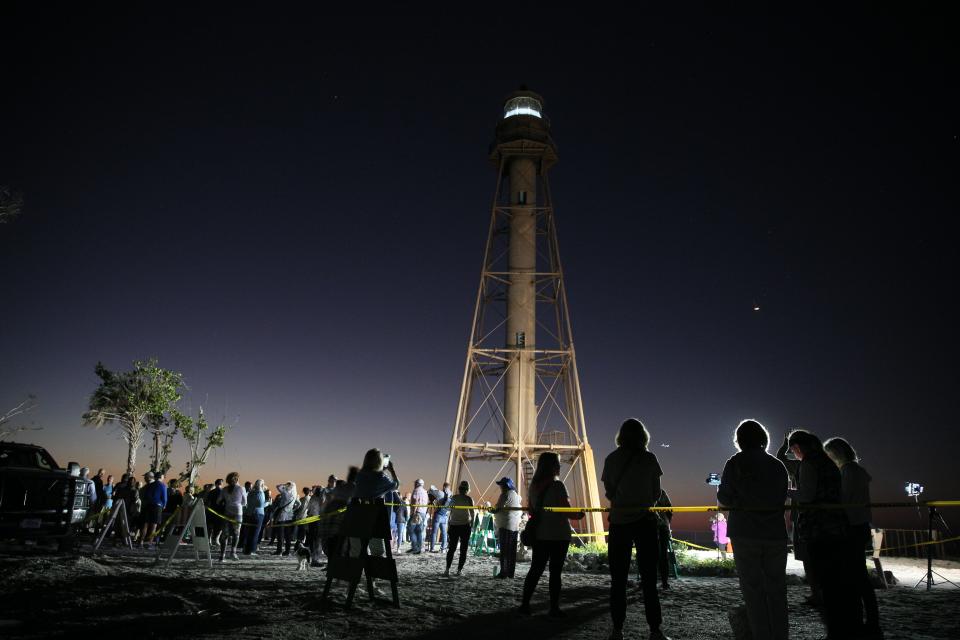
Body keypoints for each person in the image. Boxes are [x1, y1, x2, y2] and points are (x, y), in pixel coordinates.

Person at [717, 419, 789, 640]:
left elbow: (725, 498)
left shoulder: (735, 463)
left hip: (745, 531)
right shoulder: (777, 465)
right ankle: (780, 634)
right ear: (763, 439)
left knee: (752, 590)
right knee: (777, 589)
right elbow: (782, 497)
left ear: (740, 440)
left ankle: (761, 635)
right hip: (775, 533)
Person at [602, 418, 670, 640]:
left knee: (618, 579)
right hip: (645, 521)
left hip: (619, 523)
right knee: (649, 579)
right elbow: (656, 493)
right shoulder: (649, 459)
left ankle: (617, 629)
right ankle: (655, 630)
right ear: (643, 436)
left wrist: (623, 500)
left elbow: (609, 492)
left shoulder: (611, 459)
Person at [788, 428, 857, 639]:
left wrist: (786, 491)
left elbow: (807, 495)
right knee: (834, 577)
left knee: (823, 574)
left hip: (818, 526)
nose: (795, 455)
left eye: (794, 451)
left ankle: (834, 628)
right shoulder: (828, 463)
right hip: (836, 524)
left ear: (798, 447)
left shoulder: (809, 463)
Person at [824, 437, 883, 640]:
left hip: (851, 527)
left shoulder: (848, 471)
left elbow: (844, 499)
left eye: (829, 454)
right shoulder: (858, 471)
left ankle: (862, 620)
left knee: (854, 576)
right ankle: (870, 620)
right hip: (861, 526)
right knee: (858, 576)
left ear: (836, 454)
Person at [519, 451, 585, 618]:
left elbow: (531, 510)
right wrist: (580, 514)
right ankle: (554, 608)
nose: (559, 466)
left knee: (535, 570)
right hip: (558, 535)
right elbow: (567, 510)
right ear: (552, 466)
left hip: (540, 535)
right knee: (555, 573)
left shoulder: (533, 486)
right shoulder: (557, 485)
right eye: (557, 463)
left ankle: (525, 604)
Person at [349, 449, 401, 594]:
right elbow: (396, 485)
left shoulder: (359, 476)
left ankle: (353, 583)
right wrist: (391, 469)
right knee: (378, 551)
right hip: (373, 518)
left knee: (356, 551)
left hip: (355, 516)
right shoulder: (381, 477)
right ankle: (372, 583)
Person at [491, 476, 521, 578]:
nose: (500, 487)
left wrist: (489, 509)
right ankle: (510, 573)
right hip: (515, 527)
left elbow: (497, 509)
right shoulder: (516, 495)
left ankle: (503, 573)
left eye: (501, 485)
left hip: (505, 526)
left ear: (506, 486)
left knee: (504, 551)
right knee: (512, 552)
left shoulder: (505, 494)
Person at [443, 480, 475, 577]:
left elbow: (447, 509)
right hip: (465, 525)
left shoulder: (454, 497)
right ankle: (459, 570)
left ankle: (447, 569)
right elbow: (472, 513)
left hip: (454, 525)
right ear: (467, 490)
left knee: (451, 548)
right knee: (463, 550)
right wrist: (472, 524)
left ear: (459, 489)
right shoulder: (469, 499)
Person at [217, 471, 247, 561]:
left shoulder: (224, 489)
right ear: (237, 479)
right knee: (236, 534)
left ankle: (222, 555)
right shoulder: (241, 488)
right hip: (237, 513)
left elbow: (218, 501)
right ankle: (233, 553)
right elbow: (245, 502)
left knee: (225, 534)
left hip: (227, 512)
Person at [139, 471, 167, 548]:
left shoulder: (149, 485)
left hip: (148, 505)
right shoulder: (162, 485)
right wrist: (164, 505)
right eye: (163, 477)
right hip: (157, 506)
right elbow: (164, 497)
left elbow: (145, 495)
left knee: (145, 524)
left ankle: (141, 542)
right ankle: (149, 543)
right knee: (154, 525)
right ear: (160, 477)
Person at [273, 481, 300, 556]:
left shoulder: (285, 493)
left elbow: (278, 486)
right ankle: (287, 551)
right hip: (290, 515)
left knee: (280, 534)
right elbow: (298, 504)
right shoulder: (294, 494)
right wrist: (293, 509)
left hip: (282, 515)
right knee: (288, 535)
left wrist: (284, 484)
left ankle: (279, 551)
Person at [654, 488, 673, 590]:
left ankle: (648, 581)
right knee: (663, 555)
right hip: (662, 526)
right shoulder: (662, 492)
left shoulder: (642, 490)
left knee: (649, 554)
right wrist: (666, 523)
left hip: (650, 526)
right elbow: (670, 510)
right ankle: (664, 582)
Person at [242, 478, 267, 556]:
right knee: (255, 533)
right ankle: (252, 550)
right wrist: (268, 503)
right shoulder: (260, 493)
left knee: (249, 532)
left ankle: (246, 550)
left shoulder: (251, 492)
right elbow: (260, 504)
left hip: (250, 513)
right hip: (258, 514)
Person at [430, 482, 452, 553]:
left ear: (443, 487)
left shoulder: (440, 493)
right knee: (444, 533)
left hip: (438, 515)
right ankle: (443, 548)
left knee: (434, 532)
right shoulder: (451, 495)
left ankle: (432, 548)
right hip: (445, 516)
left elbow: (431, 489)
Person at [409, 479, 428, 554]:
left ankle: (415, 548)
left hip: (417, 513)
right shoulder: (425, 491)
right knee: (419, 531)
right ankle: (418, 548)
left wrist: (413, 512)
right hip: (423, 513)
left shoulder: (416, 490)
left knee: (411, 530)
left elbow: (416, 501)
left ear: (417, 484)